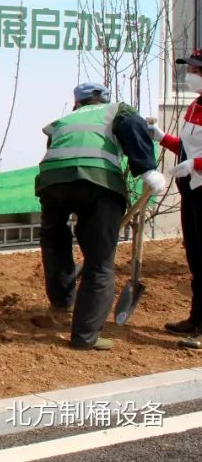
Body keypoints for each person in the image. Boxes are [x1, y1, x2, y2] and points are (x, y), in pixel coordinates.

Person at [36, 82, 165, 351]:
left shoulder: (64, 119)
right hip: (98, 183)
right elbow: (133, 126)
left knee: (55, 243)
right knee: (99, 261)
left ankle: (62, 305)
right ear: (103, 99)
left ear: (77, 103)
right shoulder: (116, 110)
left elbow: (54, 147)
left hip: (52, 182)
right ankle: (85, 337)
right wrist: (147, 169)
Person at [148, 52, 202, 347]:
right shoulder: (195, 106)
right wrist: (162, 138)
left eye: (197, 70)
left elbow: (195, 157)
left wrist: (196, 164)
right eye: (191, 69)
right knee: (196, 259)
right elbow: (188, 147)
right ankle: (196, 319)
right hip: (192, 191)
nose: (191, 75)